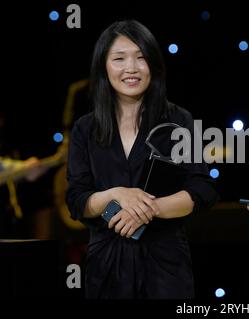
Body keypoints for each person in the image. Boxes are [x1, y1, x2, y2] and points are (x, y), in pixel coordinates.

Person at [65, 20, 218, 298]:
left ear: (154, 65)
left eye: (141, 57)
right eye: (119, 58)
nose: (131, 68)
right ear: (103, 67)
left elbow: (202, 189)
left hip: (166, 266)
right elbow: (77, 201)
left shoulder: (178, 121)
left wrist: (149, 209)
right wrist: (117, 195)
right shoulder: (85, 129)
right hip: (106, 268)